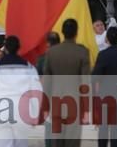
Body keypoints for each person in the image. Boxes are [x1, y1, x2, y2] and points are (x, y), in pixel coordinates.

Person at [0, 35, 42, 147]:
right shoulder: (29, 67)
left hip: (0, 112)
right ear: (19, 48)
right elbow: (37, 92)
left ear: (5, 48)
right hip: (21, 113)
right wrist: (35, 115)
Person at [43, 18, 90, 147]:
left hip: (56, 103)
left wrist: (45, 107)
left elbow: (47, 81)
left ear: (62, 32)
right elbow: (85, 82)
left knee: (58, 141)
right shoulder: (82, 52)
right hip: (75, 104)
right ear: (76, 32)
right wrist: (86, 109)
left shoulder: (52, 52)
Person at [92, 27, 117, 147]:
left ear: (107, 39)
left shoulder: (103, 55)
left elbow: (96, 77)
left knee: (103, 128)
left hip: (105, 95)